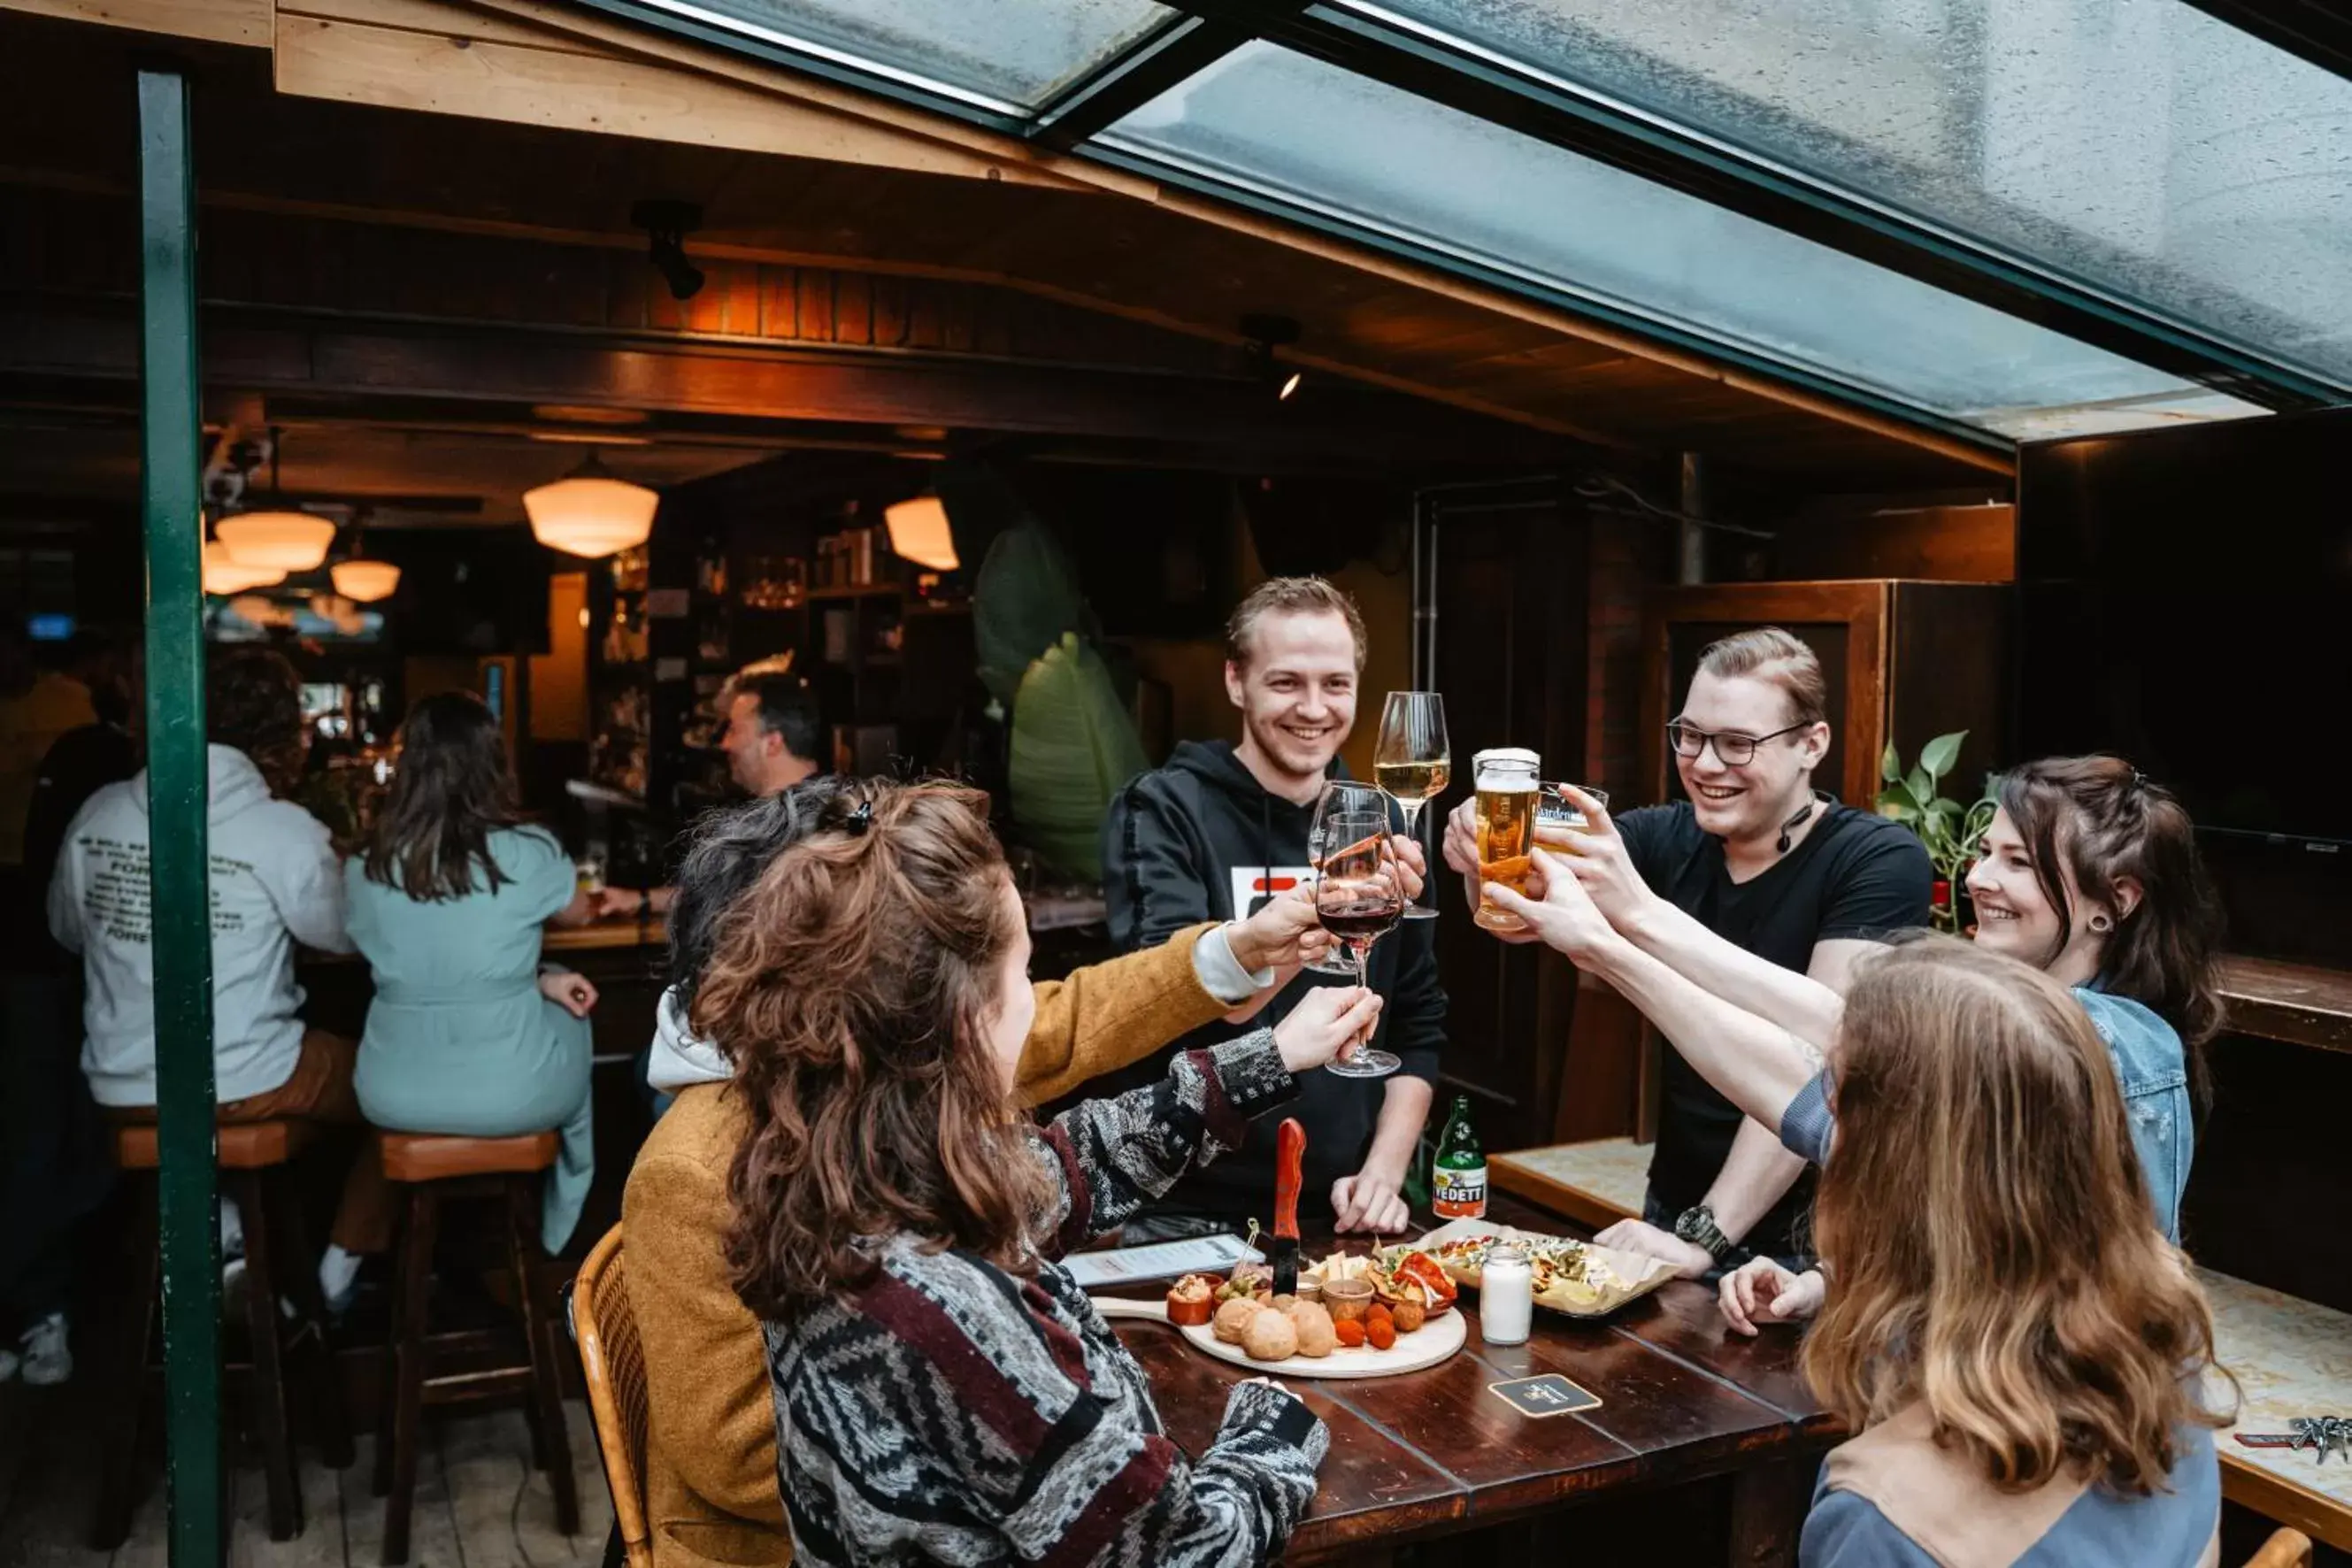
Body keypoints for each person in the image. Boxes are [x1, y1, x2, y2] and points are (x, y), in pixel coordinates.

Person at [623, 776, 1356, 1568]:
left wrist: (1263, 1055)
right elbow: (1183, 1551)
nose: (1039, 1009)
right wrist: (1265, 1433)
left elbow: (1061, 1171)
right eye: (1021, 980)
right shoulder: (928, 1296)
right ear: (940, 1012)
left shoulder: (840, 1162)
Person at [1495, 872, 2230, 1564]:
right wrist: (1615, 935)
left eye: (1836, 1104)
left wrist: (1616, 939)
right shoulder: (2169, 1353)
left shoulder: (1886, 1521)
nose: (1820, 1125)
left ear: (1887, 1174)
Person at [1526, 756, 2220, 1331]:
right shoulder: (2013, 1016)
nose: (1979, 878)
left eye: (2018, 862)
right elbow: (1950, 1209)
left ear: (2115, 901)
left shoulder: (2111, 1041)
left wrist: (1624, 934)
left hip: (2053, 1434)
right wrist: (1831, 1284)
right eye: (1985, 851)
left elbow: (1837, 1049)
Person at [1445, 626, 1930, 1275]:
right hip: (1674, 1210)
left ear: (1811, 744)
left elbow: (1819, 1073)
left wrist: (1708, 1235)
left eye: (1737, 744)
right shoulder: (1661, 838)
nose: (1704, 764)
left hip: (1812, 1248)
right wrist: (1482, 856)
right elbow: (1519, 923)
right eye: (1692, 736)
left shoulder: (1876, 859)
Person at [1100, 576, 1444, 1239]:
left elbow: (1418, 1024)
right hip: (1187, 1211)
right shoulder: (1165, 810)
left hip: (1337, 1212)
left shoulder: (1381, 821)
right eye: (1286, 682)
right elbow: (1163, 1004)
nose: (1314, 708)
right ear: (1237, 681)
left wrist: (1383, 1171)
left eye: (1335, 684)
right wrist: (1308, 925)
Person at [49, 648, 380, 1317]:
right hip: (246, 1080)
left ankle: (224, 1215)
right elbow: (347, 936)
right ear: (281, 735)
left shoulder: (98, 815)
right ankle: (329, 1274)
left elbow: (66, 932)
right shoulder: (282, 831)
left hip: (118, 1084)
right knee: (397, 1088)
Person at [344, 693, 601, 1286]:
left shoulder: (366, 863)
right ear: (493, 765)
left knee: (555, 994)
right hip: (514, 1095)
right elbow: (580, 914)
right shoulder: (530, 852)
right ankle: (566, 1212)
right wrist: (539, 978)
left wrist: (532, 979)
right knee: (578, 1012)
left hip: (390, 1095)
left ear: (408, 767)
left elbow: (407, 955)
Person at [595, 664, 821, 922]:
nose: (725, 743)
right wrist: (640, 900)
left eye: (734, 730)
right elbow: (729, 891)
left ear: (772, 743)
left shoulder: (816, 823)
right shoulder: (780, 814)